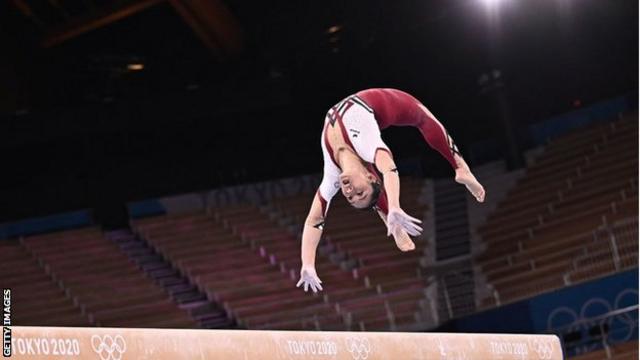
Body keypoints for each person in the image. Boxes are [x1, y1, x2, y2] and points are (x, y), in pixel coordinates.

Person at [296, 88, 485, 293]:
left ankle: (390, 220)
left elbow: (314, 220)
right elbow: (389, 168)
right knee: (422, 117)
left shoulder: (331, 177)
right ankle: (461, 167)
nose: (350, 192)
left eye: (350, 198)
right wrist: (394, 206)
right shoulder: (368, 146)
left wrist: (307, 264)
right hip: (385, 105)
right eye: (360, 193)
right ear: (370, 176)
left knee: (374, 192)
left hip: (364, 117)